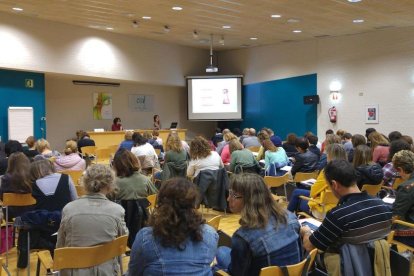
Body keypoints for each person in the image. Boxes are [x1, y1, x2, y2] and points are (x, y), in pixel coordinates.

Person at [301, 160, 392, 275]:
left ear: (334, 184)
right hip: (377, 264)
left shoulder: (337, 215)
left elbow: (309, 246)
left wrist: (306, 232)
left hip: (346, 267)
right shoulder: (384, 207)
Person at [215, 173, 302, 276]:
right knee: (222, 251)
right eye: (229, 193)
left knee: (219, 254)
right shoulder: (290, 217)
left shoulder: (243, 237)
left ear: (249, 200)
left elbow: (236, 273)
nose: (228, 198)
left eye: (234, 195)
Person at [127, 178, 218, 275]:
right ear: (194, 204)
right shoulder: (210, 234)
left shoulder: (145, 237)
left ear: (160, 203)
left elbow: (134, 272)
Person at [57, 164, 128, 275]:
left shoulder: (69, 209)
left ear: (84, 184)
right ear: (110, 186)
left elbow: (60, 245)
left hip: (74, 271)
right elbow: (122, 243)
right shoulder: (117, 211)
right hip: (106, 271)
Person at [287, 143, 345, 218]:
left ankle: (288, 219)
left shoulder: (327, 171)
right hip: (340, 207)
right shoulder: (348, 170)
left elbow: (313, 193)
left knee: (297, 194)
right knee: (298, 192)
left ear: (330, 156)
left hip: (323, 209)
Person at [0, 152, 34, 219]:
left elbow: (2, 197)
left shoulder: (6, 178)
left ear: (10, 163)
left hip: (10, 213)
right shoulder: (32, 176)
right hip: (31, 211)